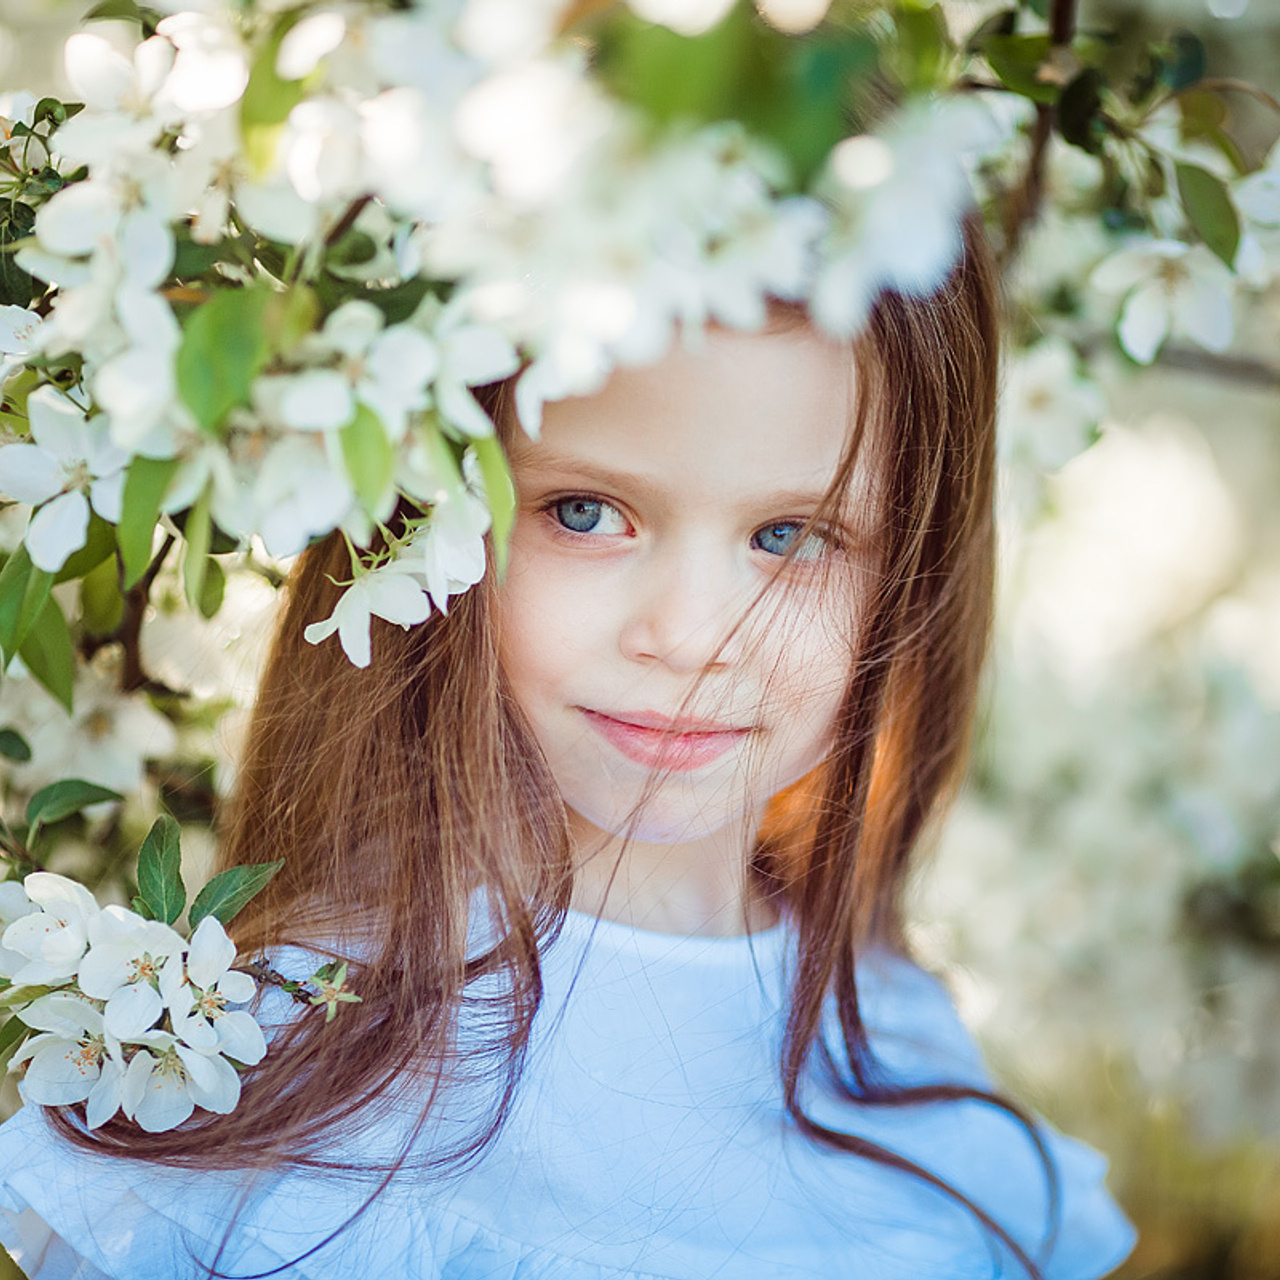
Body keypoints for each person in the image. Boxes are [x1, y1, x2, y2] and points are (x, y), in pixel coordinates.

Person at [0, 218, 1136, 1278]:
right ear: (422, 523)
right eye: (584, 512)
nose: (689, 635)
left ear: (913, 572)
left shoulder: (906, 1054)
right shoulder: (247, 1066)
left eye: (791, 534)